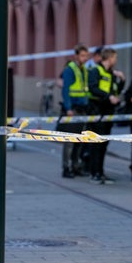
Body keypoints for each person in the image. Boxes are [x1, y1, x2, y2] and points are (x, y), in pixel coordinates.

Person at [87, 47, 123, 184]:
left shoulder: (111, 73)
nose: (115, 60)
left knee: (104, 143)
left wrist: (122, 80)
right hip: (96, 110)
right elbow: (93, 88)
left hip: (108, 111)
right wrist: (108, 97)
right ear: (109, 58)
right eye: (115, 58)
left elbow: (115, 90)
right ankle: (94, 172)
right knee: (96, 143)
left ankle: (100, 172)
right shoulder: (96, 70)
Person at [58, 44, 90, 178]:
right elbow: (65, 91)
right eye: (82, 55)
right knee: (69, 141)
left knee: (80, 140)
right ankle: (66, 168)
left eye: (86, 56)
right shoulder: (70, 70)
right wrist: (68, 108)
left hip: (82, 109)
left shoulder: (84, 70)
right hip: (73, 110)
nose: (85, 58)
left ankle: (76, 166)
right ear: (76, 56)